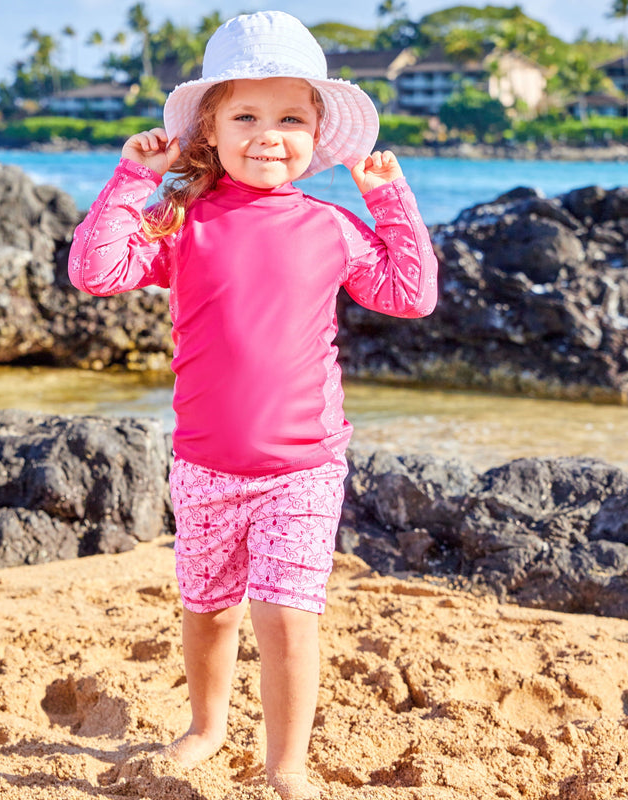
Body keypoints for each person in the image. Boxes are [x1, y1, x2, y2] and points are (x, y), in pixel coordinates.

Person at [68, 11, 438, 799]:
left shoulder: (331, 227)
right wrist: (134, 179)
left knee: (285, 615)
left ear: (317, 134)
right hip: (204, 466)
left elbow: (412, 293)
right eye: (246, 116)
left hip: (303, 467)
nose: (269, 135)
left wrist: (389, 196)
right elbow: (97, 271)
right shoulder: (184, 222)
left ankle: (288, 765)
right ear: (210, 126)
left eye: (290, 119)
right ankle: (205, 726)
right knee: (207, 612)